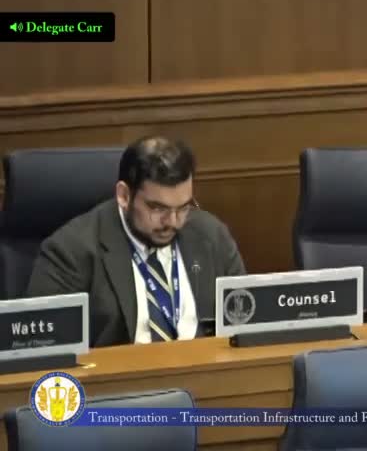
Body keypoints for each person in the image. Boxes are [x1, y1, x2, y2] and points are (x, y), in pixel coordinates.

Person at [25, 136, 246, 347]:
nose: (173, 222)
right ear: (124, 195)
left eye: (183, 208)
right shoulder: (71, 251)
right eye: (157, 208)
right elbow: (46, 345)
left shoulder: (211, 236)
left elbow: (244, 323)